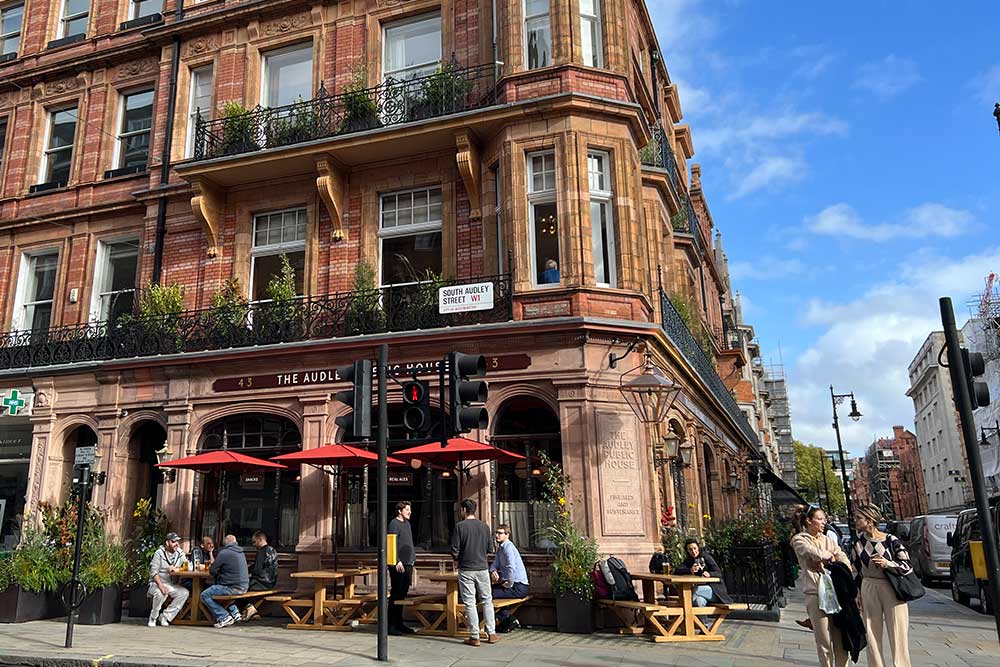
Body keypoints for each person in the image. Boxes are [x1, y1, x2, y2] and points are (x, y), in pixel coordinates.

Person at [791, 505, 853, 667]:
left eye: (824, 519)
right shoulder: (799, 539)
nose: (824, 522)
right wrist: (829, 556)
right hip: (815, 594)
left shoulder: (828, 539)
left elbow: (844, 559)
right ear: (808, 521)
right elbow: (811, 551)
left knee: (841, 639)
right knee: (824, 640)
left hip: (836, 592)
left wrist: (836, 560)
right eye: (820, 519)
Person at [851, 504, 912, 667]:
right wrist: (857, 593)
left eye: (859, 518)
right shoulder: (858, 543)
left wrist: (887, 563)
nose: (855, 520)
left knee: (898, 631)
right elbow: (855, 570)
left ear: (870, 520)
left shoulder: (890, 540)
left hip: (892, 586)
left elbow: (907, 566)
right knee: (871, 632)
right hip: (868, 586)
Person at [450, 498, 498, 646]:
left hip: (466, 569)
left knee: (470, 602)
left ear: (464, 510)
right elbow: (491, 549)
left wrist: (458, 557)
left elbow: (454, 550)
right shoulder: (485, 526)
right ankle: (492, 633)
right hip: (482, 568)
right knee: (487, 600)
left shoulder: (460, 527)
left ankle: (475, 636)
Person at [201, 534, 249, 628]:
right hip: (244, 587)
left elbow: (212, 570)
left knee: (205, 594)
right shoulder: (241, 552)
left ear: (225, 543)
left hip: (232, 588)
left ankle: (224, 616)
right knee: (218, 591)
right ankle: (235, 613)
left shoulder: (224, 553)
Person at [489, 524, 528, 633]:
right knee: (488, 590)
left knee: (489, 593)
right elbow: (494, 564)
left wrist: (509, 583)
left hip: (519, 586)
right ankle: (506, 619)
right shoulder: (501, 549)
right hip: (512, 584)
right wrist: (493, 571)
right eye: (496, 533)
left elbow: (512, 567)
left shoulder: (508, 548)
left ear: (507, 535)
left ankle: (498, 621)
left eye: (500, 533)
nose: (497, 535)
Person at [672, 538, 733, 607]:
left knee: (695, 590)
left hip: (715, 591)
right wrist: (690, 570)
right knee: (698, 601)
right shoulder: (690, 560)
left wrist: (710, 574)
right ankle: (700, 618)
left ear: (698, 547)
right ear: (687, 551)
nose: (693, 551)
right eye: (690, 549)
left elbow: (718, 573)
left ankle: (687, 613)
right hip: (703, 592)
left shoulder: (706, 557)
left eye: (695, 548)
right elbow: (677, 571)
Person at [147, 532, 190, 628]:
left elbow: (188, 566)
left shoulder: (179, 552)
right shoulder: (159, 553)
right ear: (167, 543)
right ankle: (153, 617)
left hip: (170, 584)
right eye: (173, 541)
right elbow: (154, 573)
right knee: (161, 593)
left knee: (184, 593)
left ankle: (165, 616)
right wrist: (161, 586)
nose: (176, 544)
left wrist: (177, 569)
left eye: (177, 542)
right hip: (156, 583)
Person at [388, 501, 417, 635]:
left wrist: (412, 559)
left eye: (410, 510)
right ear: (400, 511)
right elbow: (391, 543)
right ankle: (391, 625)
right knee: (396, 593)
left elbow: (409, 542)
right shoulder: (394, 523)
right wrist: (397, 561)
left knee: (403, 594)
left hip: (408, 563)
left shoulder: (407, 524)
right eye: (407, 510)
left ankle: (400, 623)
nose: (410, 512)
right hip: (398, 564)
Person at [241, 531, 278, 621]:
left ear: (260, 539)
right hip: (271, 583)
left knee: (237, 588)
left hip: (260, 582)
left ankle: (249, 608)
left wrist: (247, 572)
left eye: (254, 542)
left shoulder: (262, 551)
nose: (254, 545)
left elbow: (257, 570)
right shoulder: (272, 550)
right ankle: (251, 612)